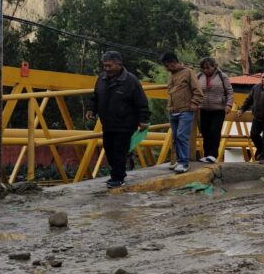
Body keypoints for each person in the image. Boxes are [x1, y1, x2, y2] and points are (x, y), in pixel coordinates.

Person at [86, 51, 149, 189]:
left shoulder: (131, 81)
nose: (106, 69)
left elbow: (141, 102)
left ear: (119, 65)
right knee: (109, 150)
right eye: (105, 66)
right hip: (108, 123)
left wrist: (142, 119)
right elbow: (95, 96)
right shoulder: (102, 79)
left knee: (119, 151)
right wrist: (91, 109)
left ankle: (117, 177)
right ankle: (118, 173)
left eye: (109, 66)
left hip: (125, 123)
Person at [161, 51, 203, 174]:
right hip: (173, 110)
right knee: (175, 137)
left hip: (186, 110)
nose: (167, 68)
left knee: (182, 136)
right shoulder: (172, 75)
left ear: (174, 62)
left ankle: (184, 163)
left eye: (167, 66)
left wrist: (194, 102)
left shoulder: (188, 72)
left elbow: (198, 90)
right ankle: (179, 161)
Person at [237, 71, 264, 164]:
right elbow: (249, 100)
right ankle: (261, 150)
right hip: (257, 116)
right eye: (262, 77)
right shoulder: (255, 87)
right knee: (253, 135)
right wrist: (242, 110)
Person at [196, 57, 233, 164]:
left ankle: (213, 155)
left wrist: (228, 105)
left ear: (214, 66)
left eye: (208, 68)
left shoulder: (222, 76)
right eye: (203, 68)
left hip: (218, 109)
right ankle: (207, 154)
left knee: (214, 131)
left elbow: (230, 92)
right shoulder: (199, 76)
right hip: (203, 109)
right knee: (205, 131)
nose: (206, 70)